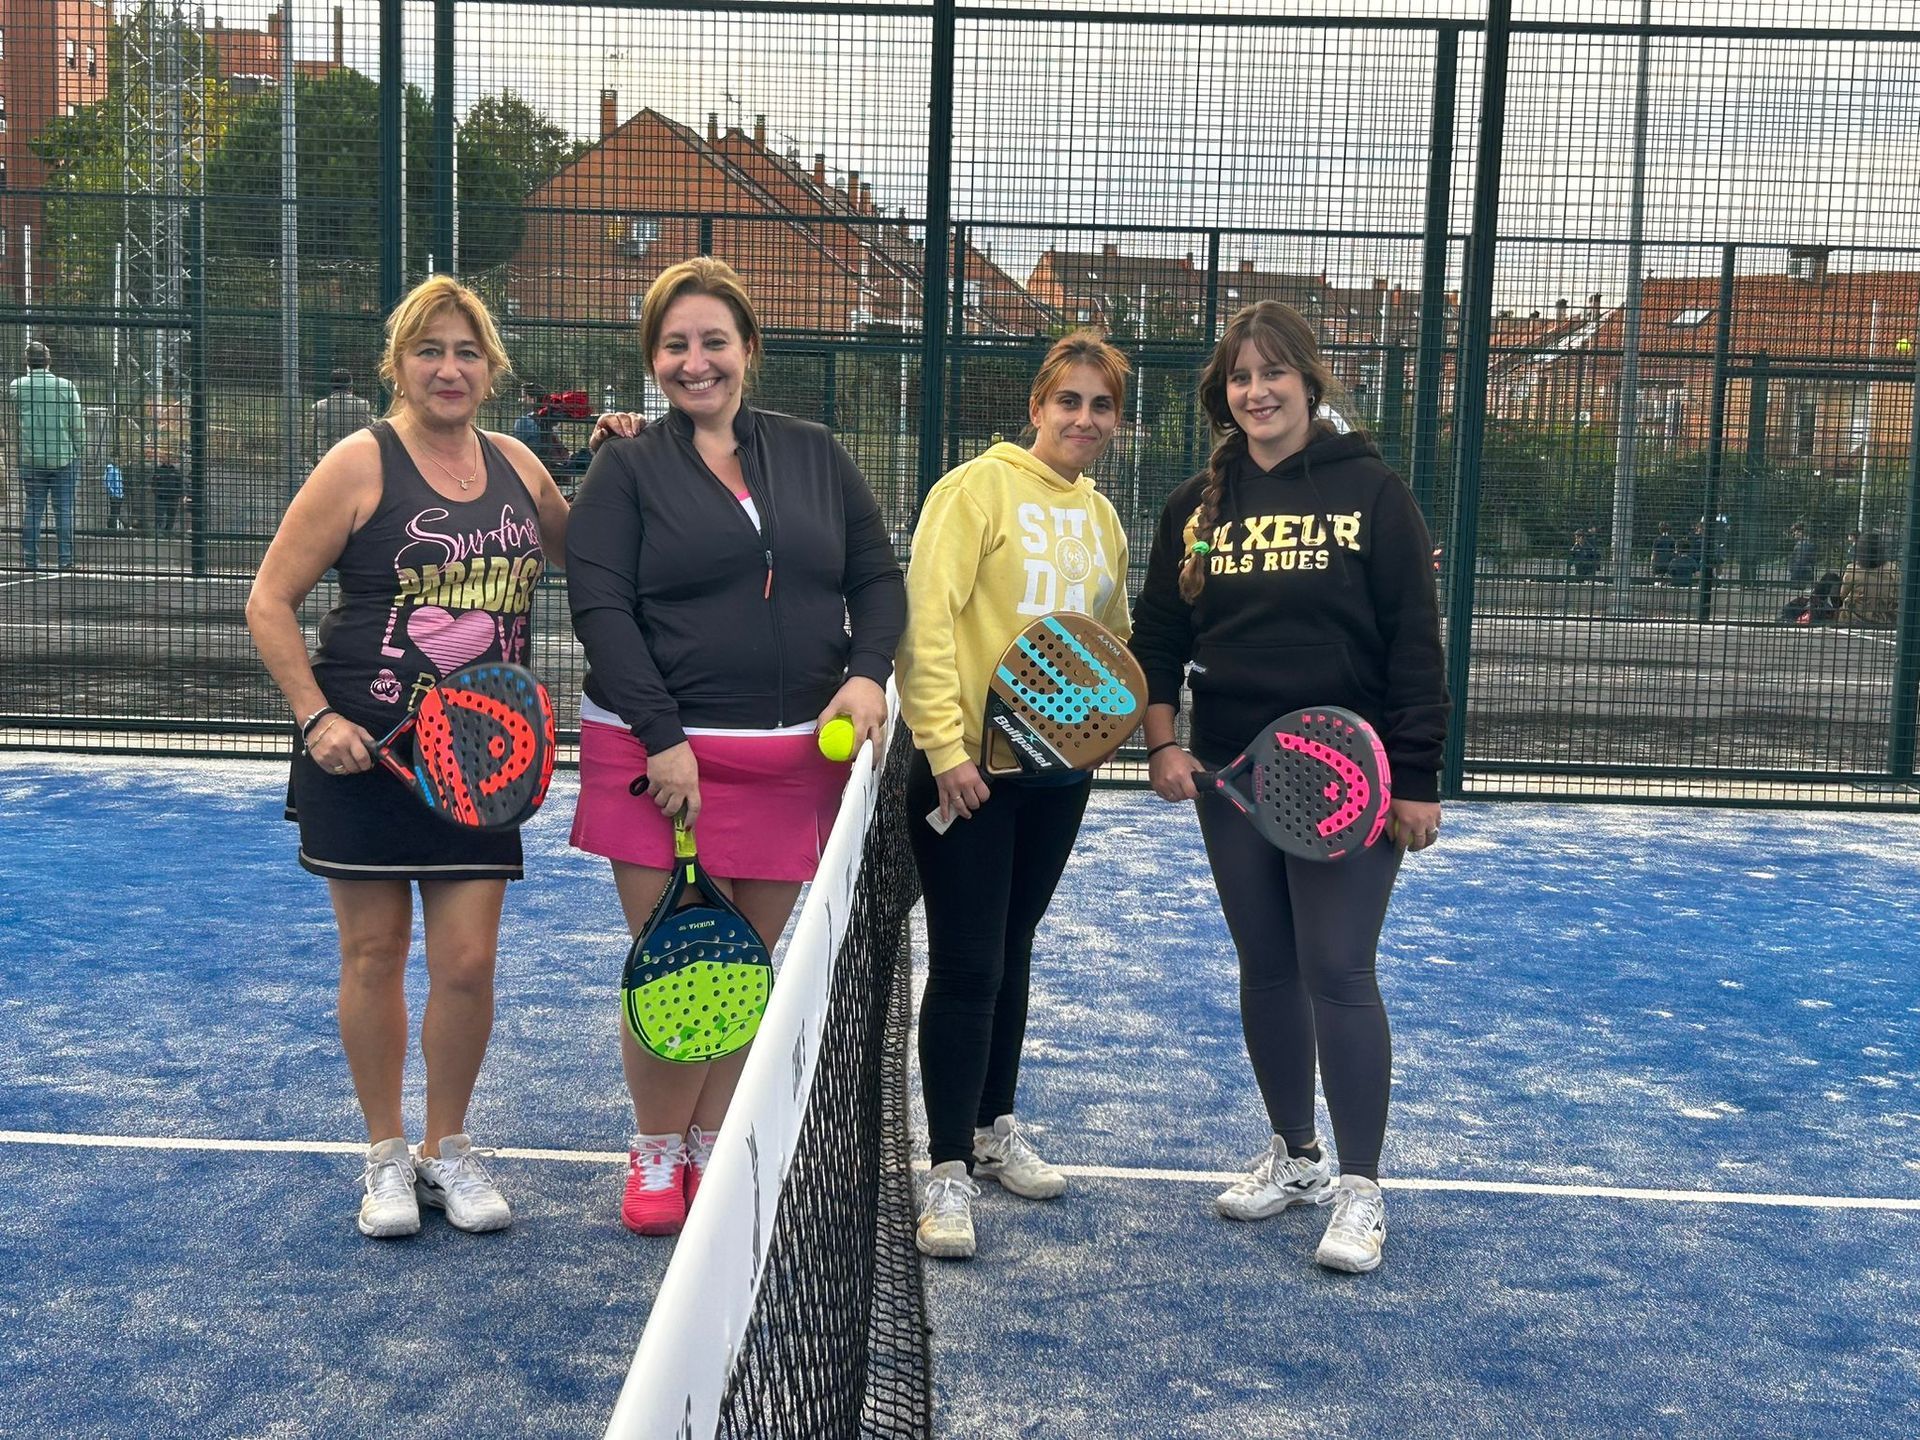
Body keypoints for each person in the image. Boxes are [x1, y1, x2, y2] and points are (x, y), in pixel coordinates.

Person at [565, 257, 904, 1237]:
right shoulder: (625, 468)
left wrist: (865, 672)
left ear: (748, 350)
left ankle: (711, 1143)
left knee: (742, 966)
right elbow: (601, 611)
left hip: (796, 755)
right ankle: (655, 1150)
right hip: (656, 760)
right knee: (672, 960)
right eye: (675, 345)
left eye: (714, 341)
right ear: (653, 361)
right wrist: (663, 739)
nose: (695, 360)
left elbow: (877, 579)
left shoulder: (815, 455)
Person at [245, 275, 570, 1240]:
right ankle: (386, 1155)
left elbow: (597, 552)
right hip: (365, 757)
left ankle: (448, 1148)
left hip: (482, 758)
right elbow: (269, 601)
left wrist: (635, 460)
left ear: (492, 368)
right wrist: (314, 719)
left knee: (468, 962)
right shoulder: (360, 463)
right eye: (430, 350)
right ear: (400, 365)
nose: (449, 368)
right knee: (376, 953)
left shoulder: (518, 464)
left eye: (467, 351)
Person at [1129, 300, 1446, 1275]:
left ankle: (1360, 1190)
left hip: (1349, 776)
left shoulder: (1374, 494)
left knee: (1339, 969)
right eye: (1239, 377)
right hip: (1230, 773)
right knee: (1265, 966)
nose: (1256, 392)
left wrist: (1419, 779)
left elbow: (1414, 644)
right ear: (1223, 394)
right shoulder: (1196, 505)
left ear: (1311, 382)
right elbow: (1160, 636)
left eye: (1273, 373)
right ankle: (1298, 1159)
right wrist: (1162, 744)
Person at [897, 331, 1135, 1261]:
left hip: (1056, 776)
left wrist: (1098, 735)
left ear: (1116, 420)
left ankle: (995, 1129)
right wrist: (948, 749)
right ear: (1037, 407)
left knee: (1014, 948)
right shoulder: (974, 491)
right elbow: (928, 622)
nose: (1083, 419)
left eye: (1101, 405)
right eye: (1068, 401)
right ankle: (947, 1170)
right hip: (968, 772)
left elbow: (1106, 639)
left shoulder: (1104, 518)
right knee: (966, 964)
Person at [10, 341, 86, 571]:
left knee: (34, 508)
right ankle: (65, 559)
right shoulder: (66, 386)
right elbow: (77, 423)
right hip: (63, 455)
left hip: (32, 457)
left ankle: (31, 560)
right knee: (63, 509)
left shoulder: (17, 386)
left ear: (27, 362)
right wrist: (78, 450)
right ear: (49, 360)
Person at [146, 376, 188, 534]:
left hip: (171, 497)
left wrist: (182, 494)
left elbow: (180, 483)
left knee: (170, 517)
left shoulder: (175, 470)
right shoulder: (161, 469)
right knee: (160, 516)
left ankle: (167, 532)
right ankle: (159, 532)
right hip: (162, 496)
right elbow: (153, 482)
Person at [310, 367, 375, 463]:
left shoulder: (319, 406)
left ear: (331, 385)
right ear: (350, 385)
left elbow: (313, 434)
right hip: (355, 458)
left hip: (327, 459)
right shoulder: (363, 405)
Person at [1838, 530, 1900, 627]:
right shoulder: (1893, 569)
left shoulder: (1853, 569)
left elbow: (1842, 595)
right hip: (1885, 619)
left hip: (1855, 618)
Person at [1786, 522, 1815, 592]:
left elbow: (1801, 560)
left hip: (1801, 575)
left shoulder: (1804, 544)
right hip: (1800, 575)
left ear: (1800, 532)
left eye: (1794, 531)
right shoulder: (1800, 544)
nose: (1793, 534)